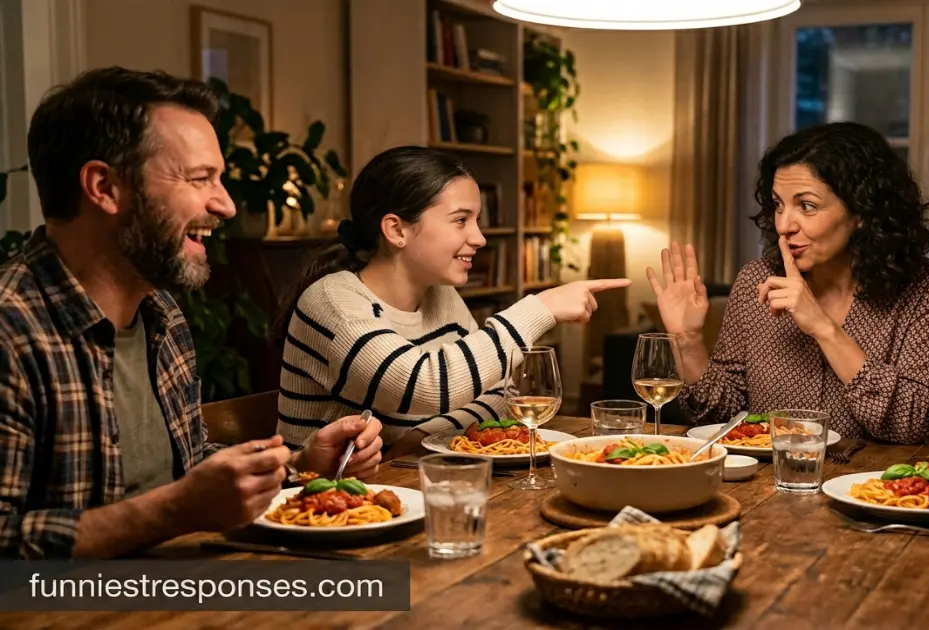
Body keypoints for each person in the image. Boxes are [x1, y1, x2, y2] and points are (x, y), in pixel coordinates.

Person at [0, 67, 383, 560]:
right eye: (200, 178)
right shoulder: (11, 331)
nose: (224, 205)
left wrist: (299, 467)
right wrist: (173, 511)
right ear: (104, 186)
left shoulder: (162, 313)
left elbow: (185, 470)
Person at [273, 146, 630, 456]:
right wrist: (540, 309)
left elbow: (498, 389)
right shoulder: (333, 302)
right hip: (315, 509)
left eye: (476, 220)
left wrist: (426, 434)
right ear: (396, 230)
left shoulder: (440, 295)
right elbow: (420, 386)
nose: (479, 238)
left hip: (402, 485)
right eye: (461, 220)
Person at [649, 121, 929, 444]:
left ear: (862, 211)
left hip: (877, 490)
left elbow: (912, 425)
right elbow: (722, 418)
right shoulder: (757, 281)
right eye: (778, 205)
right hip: (768, 488)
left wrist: (823, 328)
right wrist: (688, 341)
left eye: (807, 206)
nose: (783, 224)